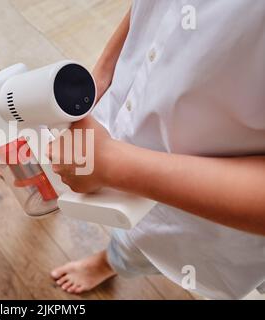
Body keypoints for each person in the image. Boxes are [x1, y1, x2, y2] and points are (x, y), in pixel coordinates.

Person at [47, 0, 265, 299]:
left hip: (219, 222)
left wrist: (110, 163)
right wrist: (101, 76)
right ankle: (109, 260)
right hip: (123, 154)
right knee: (133, 241)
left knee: (161, 249)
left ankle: (112, 262)